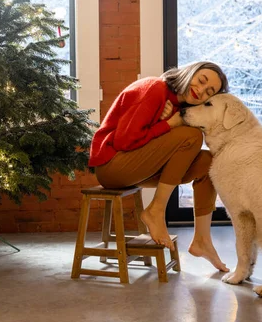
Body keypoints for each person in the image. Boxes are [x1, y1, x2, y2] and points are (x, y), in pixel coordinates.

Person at [89, 61, 230, 272]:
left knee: (208, 162)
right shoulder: (155, 88)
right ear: (190, 72)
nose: (200, 91)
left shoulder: (178, 107)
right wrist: (168, 125)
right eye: (201, 80)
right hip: (112, 165)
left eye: (209, 92)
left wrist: (167, 124)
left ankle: (202, 240)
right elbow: (124, 141)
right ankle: (156, 211)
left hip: (137, 166)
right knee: (190, 135)